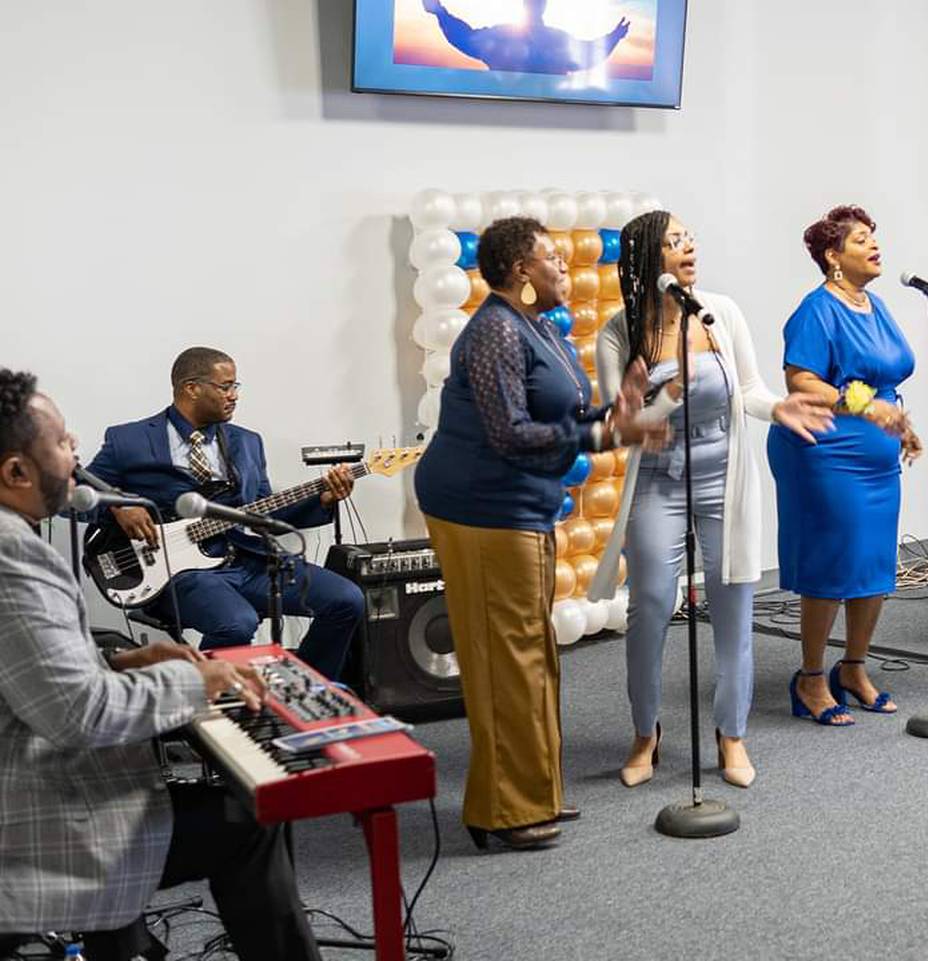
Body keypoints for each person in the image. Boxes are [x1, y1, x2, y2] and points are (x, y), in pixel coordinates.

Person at [0, 369, 320, 961]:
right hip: (35, 822)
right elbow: (78, 714)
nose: (76, 453)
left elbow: (27, 670)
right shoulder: (12, 559)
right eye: (63, 441)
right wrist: (191, 678)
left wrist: (121, 660)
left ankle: (120, 942)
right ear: (16, 472)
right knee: (245, 823)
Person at [413, 216, 661, 850]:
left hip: (518, 507)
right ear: (520, 269)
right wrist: (607, 434)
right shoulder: (495, 329)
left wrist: (615, 414)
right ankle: (504, 809)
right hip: (481, 510)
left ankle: (534, 791)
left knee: (532, 654)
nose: (562, 266)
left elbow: (567, 413)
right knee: (508, 660)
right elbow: (508, 435)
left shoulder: (534, 327)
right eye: (551, 257)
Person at [590, 211, 832, 788]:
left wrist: (778, 407)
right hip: (657, 477)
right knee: (649, 604)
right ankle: (646, 731)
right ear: (649, 260)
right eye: (673, 242)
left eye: (689, 237)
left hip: (725, 474)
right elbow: (621, 425)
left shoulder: (719, 312)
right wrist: (669, 395)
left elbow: (747, 388)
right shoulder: (619, 331)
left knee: (734, 604)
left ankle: (732, 733)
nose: (688, 247)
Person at [85, 347, 363, 680]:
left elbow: (262, 515)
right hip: (177, 573)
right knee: (236, 622)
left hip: (246, 561)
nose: (234, 396)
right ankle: (199, 701)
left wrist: (324, 499)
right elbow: (70, 495)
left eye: (236, 387)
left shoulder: (247, 442)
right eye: (225, 386)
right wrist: (119, 505)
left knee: (346, 599)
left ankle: (309, 692)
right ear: (192, 388)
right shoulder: (129, 440)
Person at [769, 205, 922, 726]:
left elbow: (886, 381)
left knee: (873, 566)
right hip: (826, 451)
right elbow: (802, 383)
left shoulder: (874, 305)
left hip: (876, 455)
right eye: (861, 240)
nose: (874, 246)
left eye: (873, 238)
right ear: (833, 256)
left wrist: (898, 423)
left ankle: (852, 668)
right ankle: (810, 677)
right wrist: (867, 407)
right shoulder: (816, 310)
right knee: (833, 564)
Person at [422, 0, 630, 75]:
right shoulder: (503, 35)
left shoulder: (558, 39)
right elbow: (465, 39)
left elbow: (465, 39)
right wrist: (440, 13)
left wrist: (440, 13)